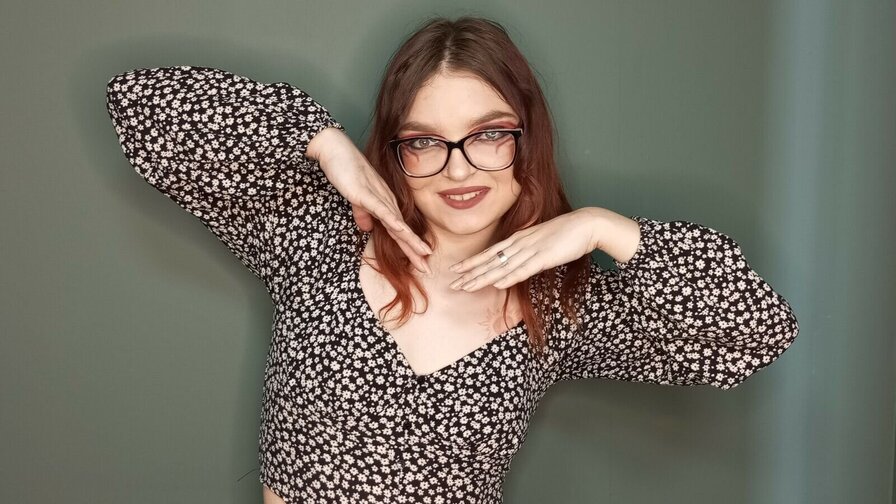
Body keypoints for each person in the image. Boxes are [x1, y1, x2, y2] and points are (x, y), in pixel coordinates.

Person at [104, 15, 799, 504]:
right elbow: (137, 103)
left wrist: (604, 228)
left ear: (526, 139)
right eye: (424, 141)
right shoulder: (314, 236)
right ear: (396, 153)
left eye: (488, 134)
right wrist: (322, 141)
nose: (458, 168)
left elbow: (757, 332)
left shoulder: (561, 307)